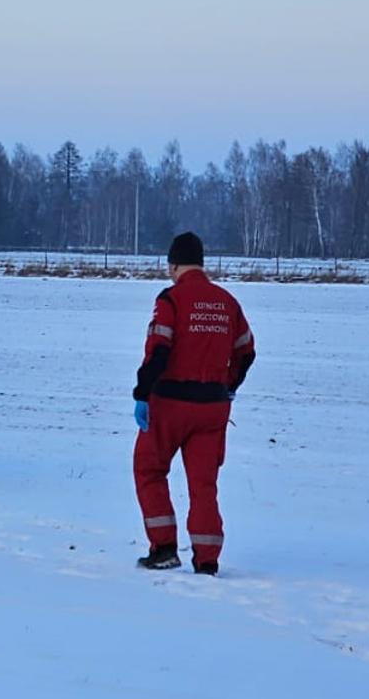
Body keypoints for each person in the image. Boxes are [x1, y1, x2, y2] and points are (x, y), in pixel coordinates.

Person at [132, 232, 257, 575]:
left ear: (173, 264)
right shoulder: (228, 302)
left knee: (149, 469)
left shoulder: (170, 300)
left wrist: (142, 393)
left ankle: (164, 549)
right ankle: (207, 560)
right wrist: (227, 386)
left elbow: (159, 349)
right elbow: (247, 352)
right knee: (203, 485)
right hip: (213, 407)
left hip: (170, 403)